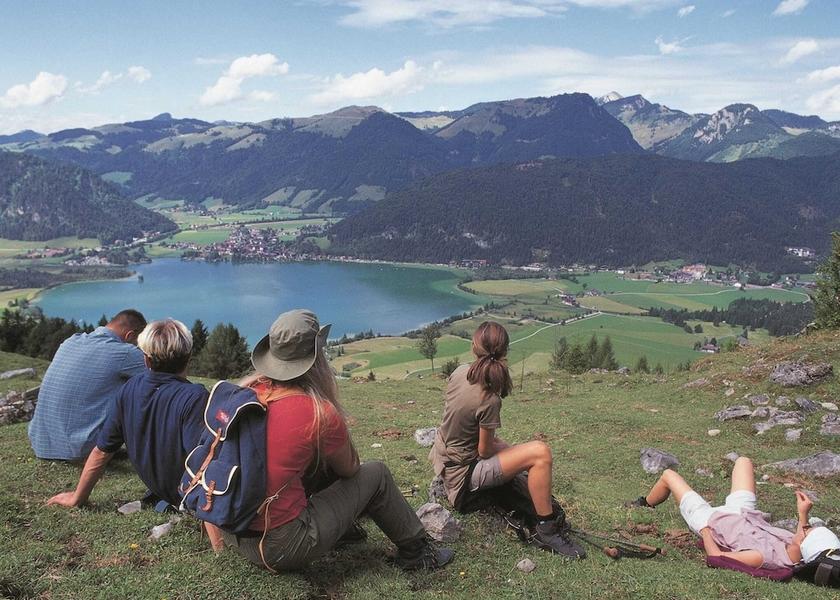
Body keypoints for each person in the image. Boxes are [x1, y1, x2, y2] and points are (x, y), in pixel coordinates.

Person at [221, 309, 453, 572]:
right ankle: (417, 553)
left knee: (310, 464)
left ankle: (343, 530)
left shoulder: (243, 394)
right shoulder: (316, 411)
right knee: (376, 473)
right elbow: (351, 469)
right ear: (316, 358)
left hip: (233, 532)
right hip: (279, 548)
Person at [46, 319, 223, 550]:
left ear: (146, 359)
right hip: (185, 496)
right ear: (189, 357)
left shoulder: (128, 389)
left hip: (161, 490)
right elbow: (202, 468)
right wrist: (219, 546)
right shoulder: (193, 396)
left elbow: (102, 450)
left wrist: (77, 497)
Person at [430, 321, 585, 558]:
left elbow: (469, 432)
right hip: (463, 480)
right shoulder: (489, 398)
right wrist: (515, 456)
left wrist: (512, 454)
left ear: (474, 347)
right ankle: (546, 529)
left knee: (525, 456)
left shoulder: (460, 372)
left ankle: (541, 512)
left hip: (445, 462)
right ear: (505, 352)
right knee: (540, 452)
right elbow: (484, 451)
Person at [626, 456, 840, 569]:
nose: (804, 527)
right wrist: (802, 514)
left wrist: (706, 531)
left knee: (669, 475)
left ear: (805, 544)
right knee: (743, 461)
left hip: (711, 520)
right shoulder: (796, 548)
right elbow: (802, 538)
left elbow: (717, 557)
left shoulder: (763, 557)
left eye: (807, 530)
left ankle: (645, 503)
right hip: (743, 513)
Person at [29, 309, 148, 461]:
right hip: (81, 449)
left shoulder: (70, 341)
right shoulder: (125, 353)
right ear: (130, 335)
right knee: (140, 388)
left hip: (41, 445)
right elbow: (161, 380)